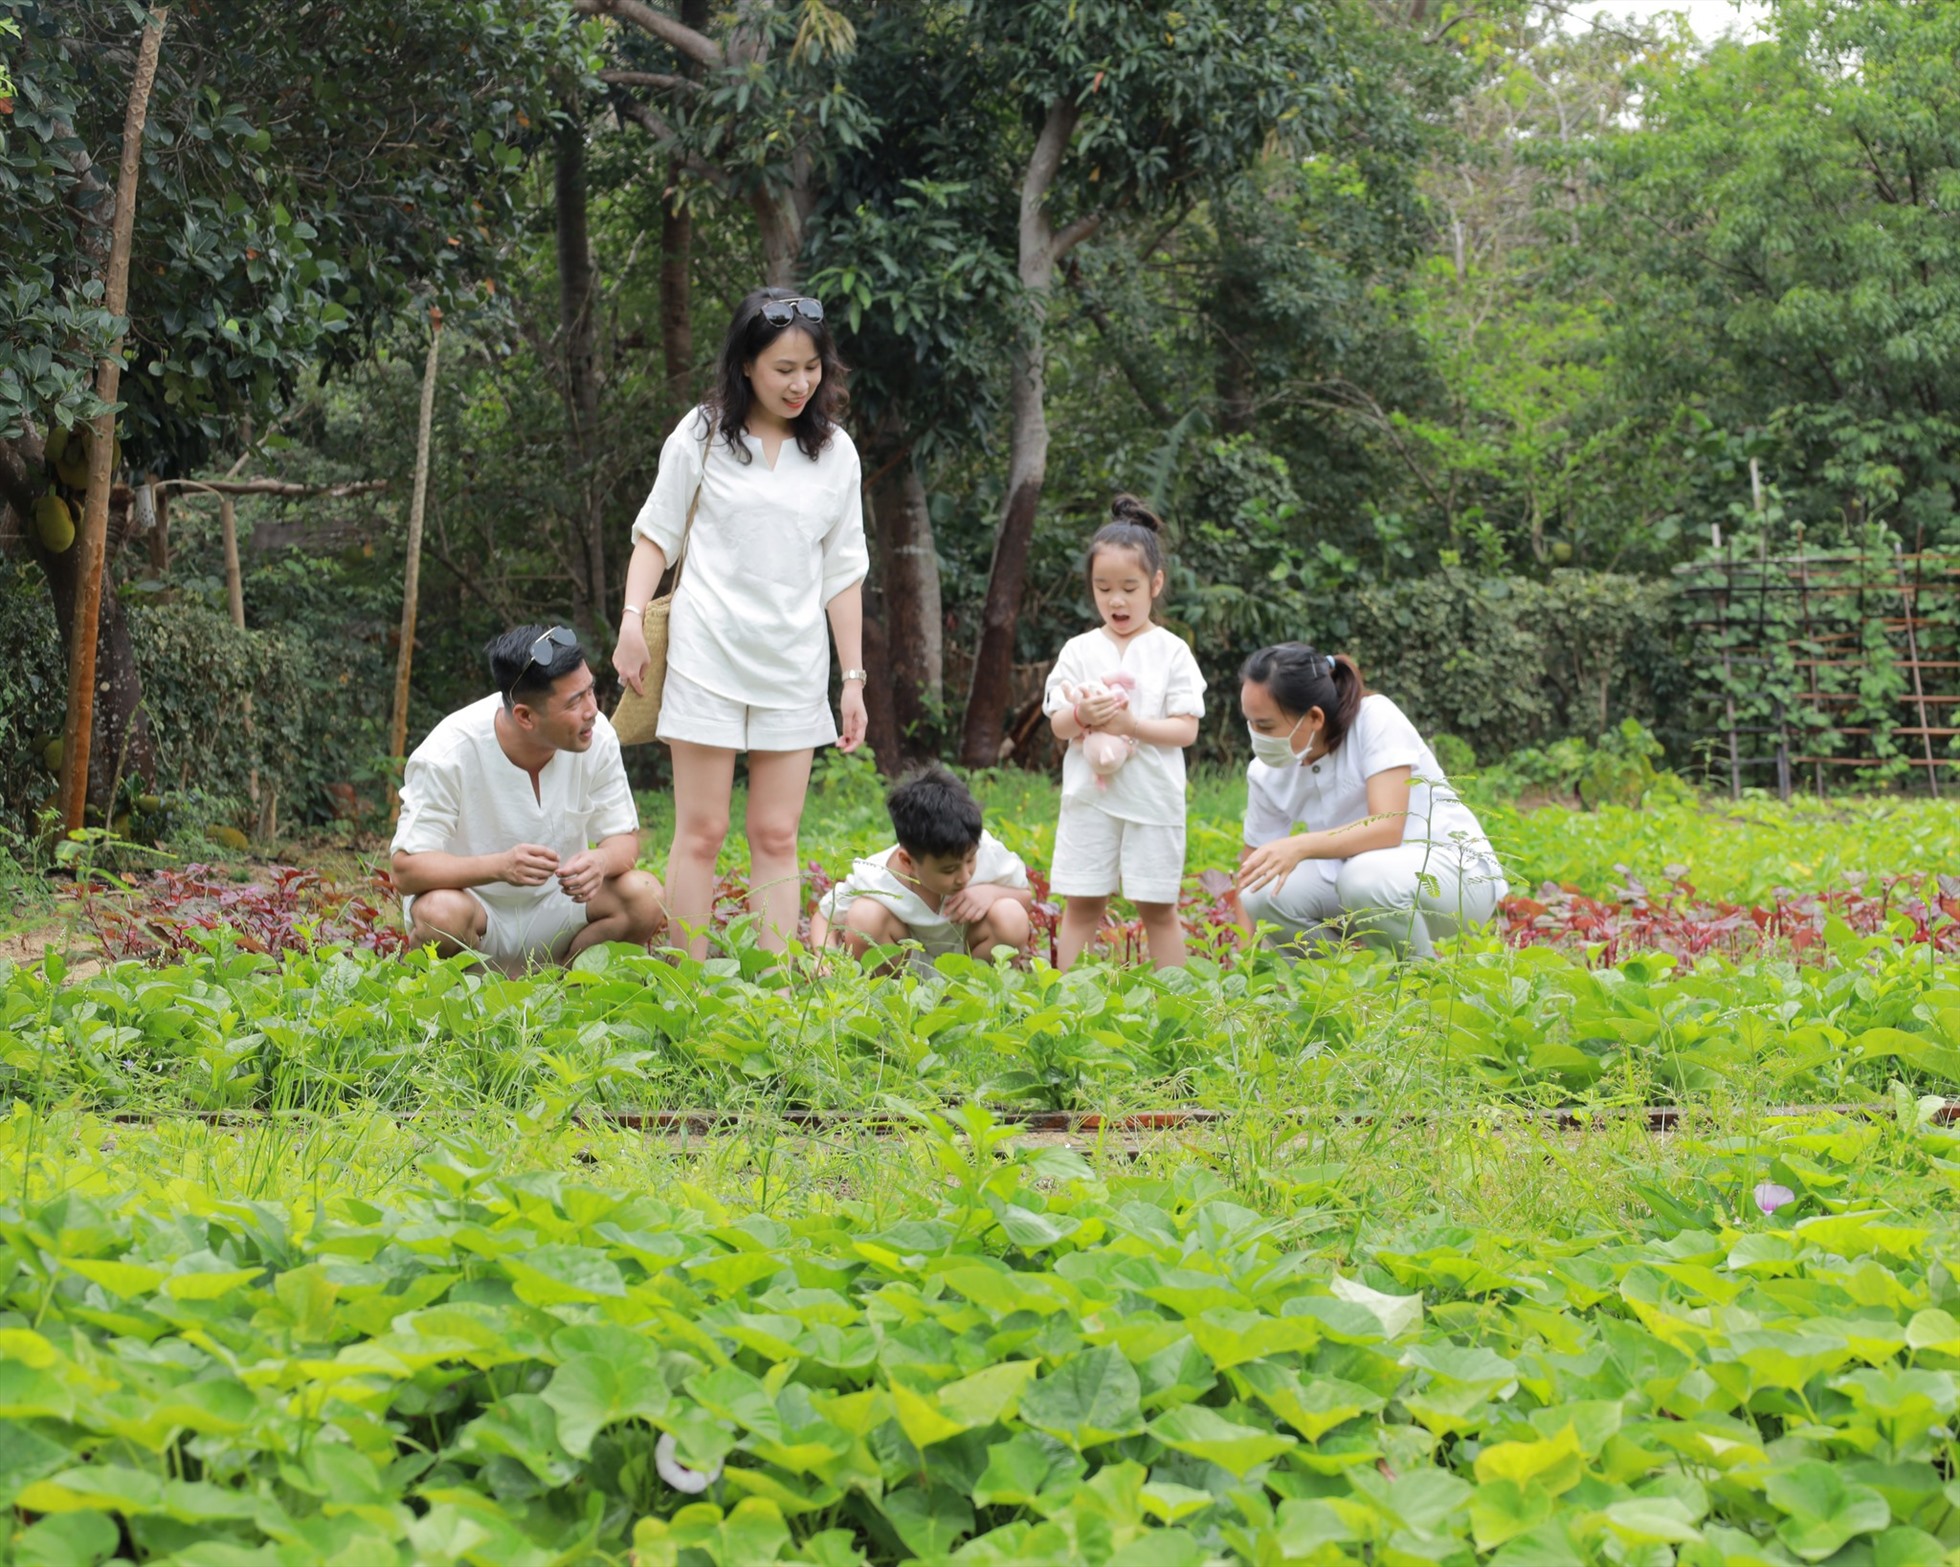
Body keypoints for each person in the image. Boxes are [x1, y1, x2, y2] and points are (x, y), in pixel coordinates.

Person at [613, 288, 869, 959]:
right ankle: (687, 984)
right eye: (784, 368)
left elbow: (844, 570)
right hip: (708, 656)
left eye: (811, 367)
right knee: (700, 829)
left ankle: (776, 987)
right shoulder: (701, 434)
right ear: (747, 364)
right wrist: (631, 620)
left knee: (776, 834)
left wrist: (854, 679)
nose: (799, 383)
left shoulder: (835, 453)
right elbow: (656, 535)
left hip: (793, 664)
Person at [392, 624, 665, 972]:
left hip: (559, 908)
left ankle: (566, 987)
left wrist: (601, 862)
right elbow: (405, 870)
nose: (592, 711)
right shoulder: (449, 751)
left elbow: (622, 838)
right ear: (525, 716)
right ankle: (470, 992)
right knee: (439, 914)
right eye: (574, 702)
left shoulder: (596, 737)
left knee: (644, 894)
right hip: (477, 913)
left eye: (590, 692)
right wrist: (500, 866)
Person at [1236, 643, 1507, 957]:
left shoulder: (1375, 718)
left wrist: (1301, 845)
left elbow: (1387, 827)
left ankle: (1418, 991)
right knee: (1262, 893)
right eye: (1250, 722)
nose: (1255, 735)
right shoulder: (1265, 772)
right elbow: (1251, 872)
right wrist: (1243, 964)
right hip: (1358, 884)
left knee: (1363, 878)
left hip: (1453, 882)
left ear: (1314, 717)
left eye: (1265, 725)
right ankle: (1339, 993)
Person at [1043, 496, 1207, 969]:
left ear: (1155, 584)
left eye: (1129, 588)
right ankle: (1070, 1001)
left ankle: (1173, 1006)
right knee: (1082, 904)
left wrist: (1130, 725)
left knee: (1158, 907)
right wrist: (1083, 717)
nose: (1116, 600)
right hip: (1088, 800)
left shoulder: (1172, 652)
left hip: (1152, 800)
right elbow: (1058, 722)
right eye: (1103, 588)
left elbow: (1186, 729)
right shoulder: (1078, 650)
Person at [810, 764, 1034, 969]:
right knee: (864, 916)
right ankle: (892, 1002)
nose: (964, 876)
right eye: (949, 870)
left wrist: (990, 893)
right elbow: (824, 917)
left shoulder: (984, 849)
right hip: (906, 971)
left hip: (968, 964)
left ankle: (973, 998)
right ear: (908, 861)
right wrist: (824, 956)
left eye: (970, 860)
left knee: (1011, 915)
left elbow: (1025, 896)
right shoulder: (877, 875)